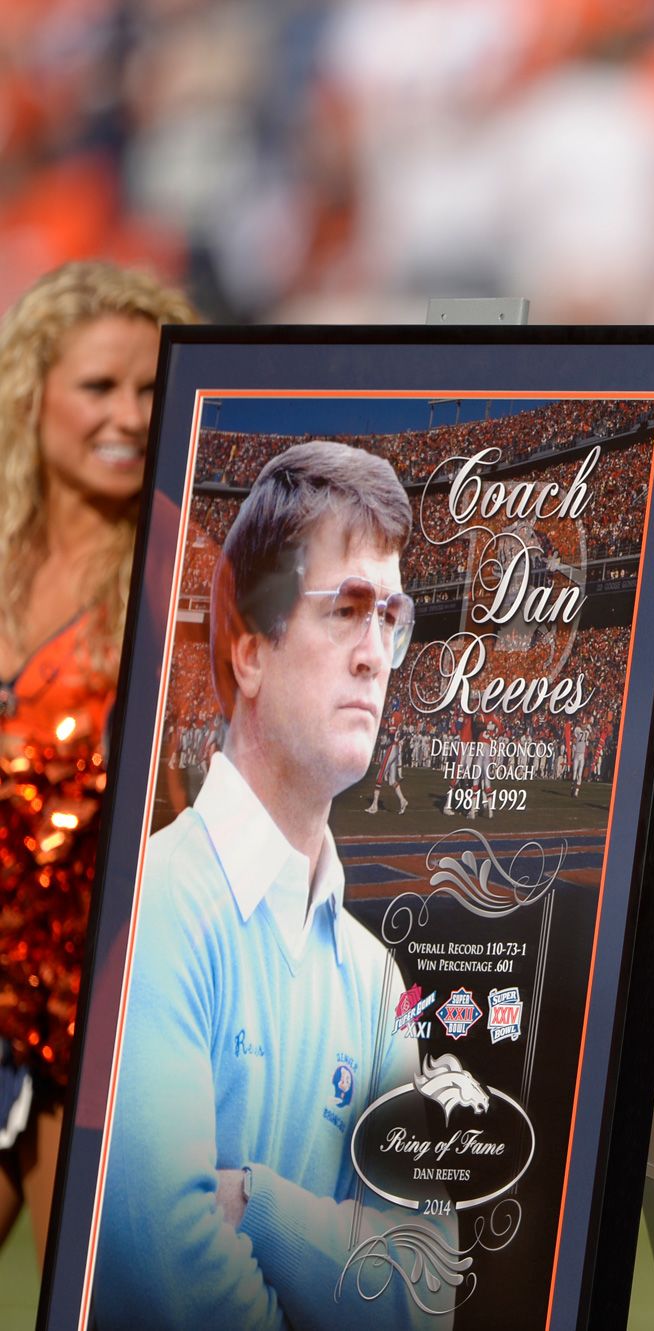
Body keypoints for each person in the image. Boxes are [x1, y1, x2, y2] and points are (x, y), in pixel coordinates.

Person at [96, 441, 450, 1328]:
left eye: (392, 618)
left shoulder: (375, 981)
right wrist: (339, 1242)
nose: (377, 655)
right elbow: (164, 1269)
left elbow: (428, 1293)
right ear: (250, 652)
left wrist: (259, 1204)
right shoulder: (155, 904)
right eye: (349, 609)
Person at [0, 261, 197, 1265]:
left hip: (107, 1028)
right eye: (99, 386)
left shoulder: (188, 569)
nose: (128, 413)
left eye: (152, 387)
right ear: (33, 395)